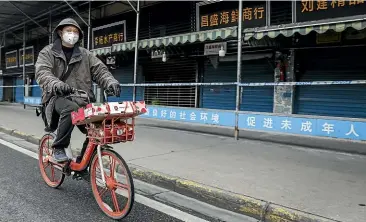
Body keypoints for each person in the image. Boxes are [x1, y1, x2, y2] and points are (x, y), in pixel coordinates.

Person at [35, 18, 121, 163]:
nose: (72, 34)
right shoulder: (48, 52)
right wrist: (57, 84)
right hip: (56, 98)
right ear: (60, 32)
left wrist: (110, 82)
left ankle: (84, 164)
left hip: (84, 100)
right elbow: (42, 72)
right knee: (71, 108)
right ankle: (59, 147)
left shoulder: (85, 54)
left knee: (99, 132)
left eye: (75, 32)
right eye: (69, 31)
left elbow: (100, 70)